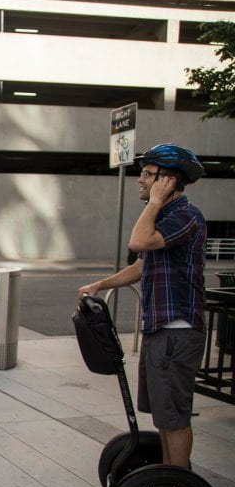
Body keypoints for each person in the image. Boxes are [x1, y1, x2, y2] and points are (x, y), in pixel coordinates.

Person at [78, 144, 206, 469]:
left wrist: (155, 201)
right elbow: (141, 265)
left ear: (169, 180)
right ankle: (168, 474)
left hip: (176, 330)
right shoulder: (164, 218)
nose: (140, 180)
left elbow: (138, 243)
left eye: (148, 175)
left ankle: (179, 485)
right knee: (164, 414)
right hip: (159, 329)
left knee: (174, 416)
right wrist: (101, 285)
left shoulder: (185, 216)